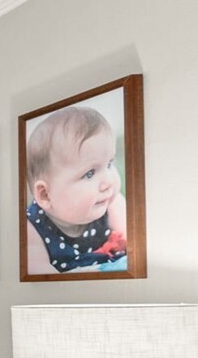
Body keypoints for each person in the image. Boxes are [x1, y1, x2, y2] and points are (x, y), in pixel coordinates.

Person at [24, 104, 128, 274]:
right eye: (89, 174)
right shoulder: (32, 228)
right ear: (46, 195)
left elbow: (140, 247)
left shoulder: (111, 203)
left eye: (109, 164)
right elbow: (40, 280)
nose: (108, 182)